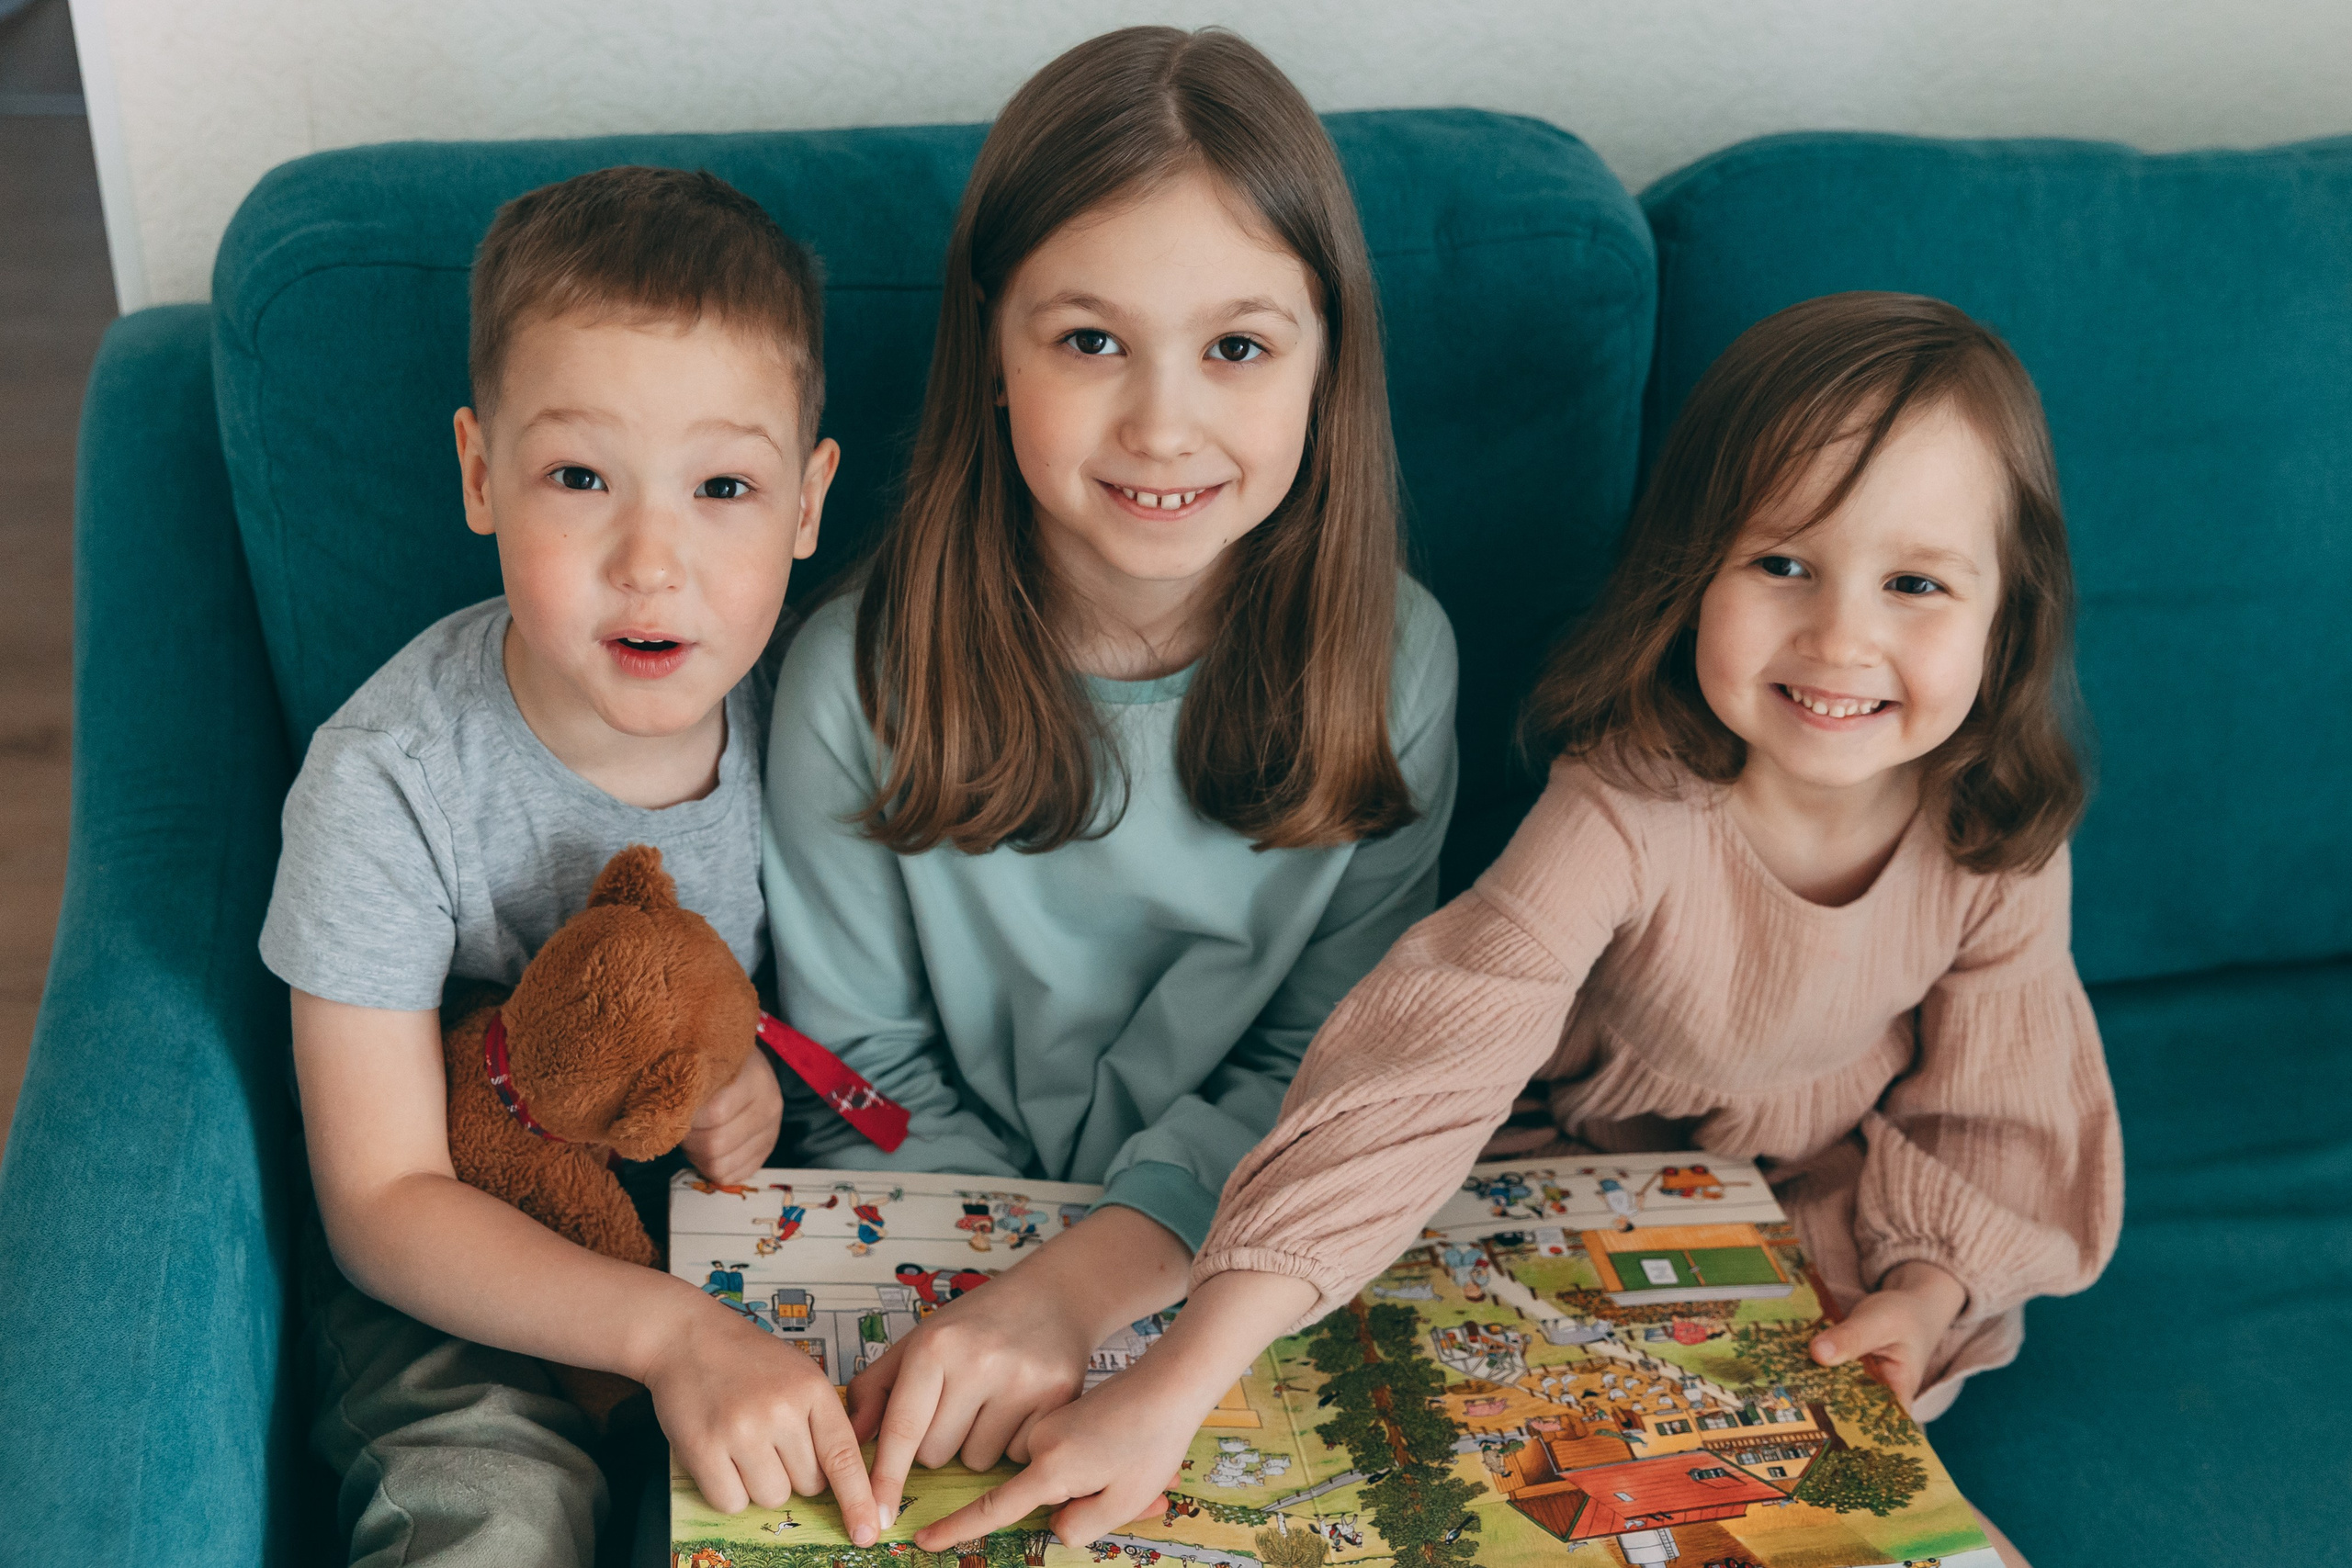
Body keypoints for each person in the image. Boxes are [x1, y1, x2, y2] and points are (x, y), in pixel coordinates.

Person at [926, 293, 2121, 1568]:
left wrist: (1929, 1294)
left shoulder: (1998, 834)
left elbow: (1999, 1118)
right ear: (1693, 571)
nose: (1840, 636)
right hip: (1555, 1181)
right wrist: (1178, 1382)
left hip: (1819, 1210)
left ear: (2009, 620)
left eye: (1917, 584)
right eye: (1783, 564)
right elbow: (1419, 1072)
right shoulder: (1621, 810)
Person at [759, 23, 1458, 1526]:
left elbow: (1330, 1073)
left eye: (1239, 347)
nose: (1162, 425)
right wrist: (1011, 1293)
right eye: (1089, 341)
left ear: (1327, 365)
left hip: (1234, 1268)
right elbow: (858, 1079)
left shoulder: (1395, 665)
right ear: (991, 354)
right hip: (939, 1250)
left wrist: (1089, 1287)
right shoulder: (849, 682)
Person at [261, 165, 885, 1564]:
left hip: (723, 1231)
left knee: (874, 1469)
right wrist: (669, 1335)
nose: (649, 561)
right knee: (497, 1514)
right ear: (482, 475)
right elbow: (380, 1203)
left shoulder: (819, 716)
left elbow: (836, 1015)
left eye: (724, 485)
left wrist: (748, 1080)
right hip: (464, 1255)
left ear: (806, 501)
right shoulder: (389, 781)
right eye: (579, 477)